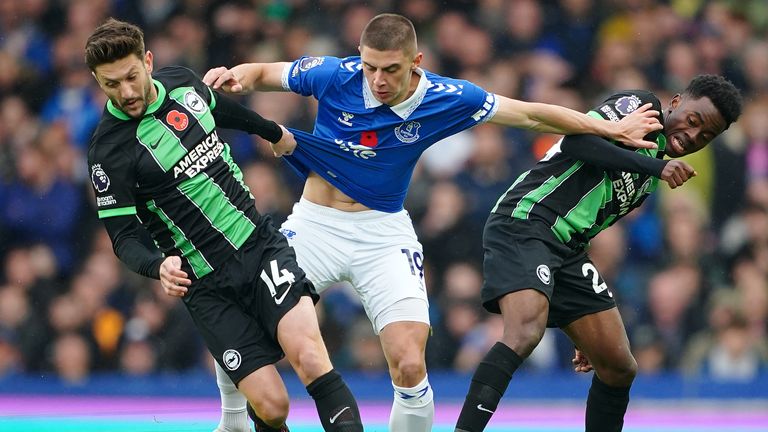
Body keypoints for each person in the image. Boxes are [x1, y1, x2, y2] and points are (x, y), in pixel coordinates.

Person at [202, 13, 662, 432]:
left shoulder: (446, 97)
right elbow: (264, 73)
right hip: (315, 225)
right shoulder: (333, 74)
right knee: (249, 317)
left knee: (408, 362)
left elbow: (528, 113)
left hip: (383, 233)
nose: (378, 81)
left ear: (416, 62)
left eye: (391, 70)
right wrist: (235, 77)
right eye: (370, 67)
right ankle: (233, 420)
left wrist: (607, 128)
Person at [84, 18, 364, 432]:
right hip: (206, 285)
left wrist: (273, 132)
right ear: (97, 81)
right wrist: (156, 265)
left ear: (148, 60)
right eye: (111, 84)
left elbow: (221, 110)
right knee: (272, 407)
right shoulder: (107, 152)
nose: (126, 92)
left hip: (260, 245)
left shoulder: (181, 82)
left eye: (131, 77)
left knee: (309, 357)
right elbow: (123, 236)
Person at [453, 74, 743, 432]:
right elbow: (578, 144)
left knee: (618, 365)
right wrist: (657, 164)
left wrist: (581, 323)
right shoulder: (642, 108)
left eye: (706, 135)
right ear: (676, 102)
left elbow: (589, 215)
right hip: (528, 218)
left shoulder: (651, 177)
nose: (693, 135)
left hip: (568, 248)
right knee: (526, 329)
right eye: (694, 120)